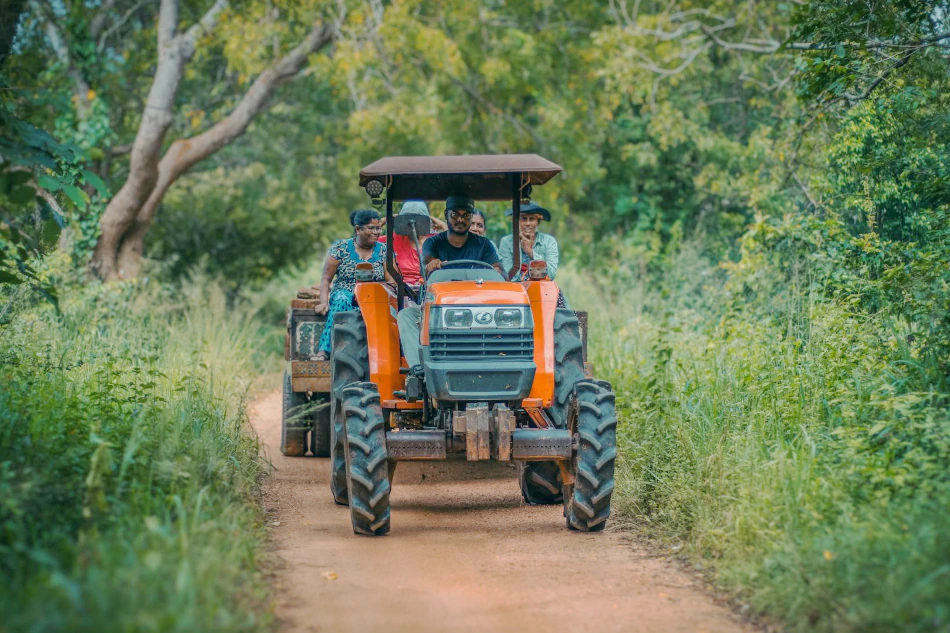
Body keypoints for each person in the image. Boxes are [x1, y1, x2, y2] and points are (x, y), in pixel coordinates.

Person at [397, 195, 504, 370]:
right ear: (447, 215)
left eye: (466, 215)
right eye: (455, 215)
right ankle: (419, 369)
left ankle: (499, 362)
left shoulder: (484, 245)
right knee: (406, 316)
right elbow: (427, 265)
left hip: (478, 305)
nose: (460, 219)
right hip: (441, 307)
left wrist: (493, 271)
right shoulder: (433, 243)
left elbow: (499, 271)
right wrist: (432, 265)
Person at [314, 209, 390, 360]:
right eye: (371, 228)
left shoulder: (384, 250)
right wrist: (323, 302)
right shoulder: (340, 249)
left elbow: (391, 280)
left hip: (374, 295)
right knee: (342, 300)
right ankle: (325, 350)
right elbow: (326, 279)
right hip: (346, 292)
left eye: (378, 228)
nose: (376, 232)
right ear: (358, 229)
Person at [378, 200, 446, 286]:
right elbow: (372, 234)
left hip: (430, 289)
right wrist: (390, 218)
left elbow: (452, 238)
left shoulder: (436, 239)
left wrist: (437, 222)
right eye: (407, 220)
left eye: (418, 220)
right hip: (401, 291)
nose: (412, 224)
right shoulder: (393, 239)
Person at [498, 202, 560, 281]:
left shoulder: (549, 241)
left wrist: (530, 252)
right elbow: (507, 276)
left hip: (541, 289)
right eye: (523, 219)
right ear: (517, 222)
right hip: (515, 289)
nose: (528, 223)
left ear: (537, 222)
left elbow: (551, 274)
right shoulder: (506, 242)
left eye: (532, 219)